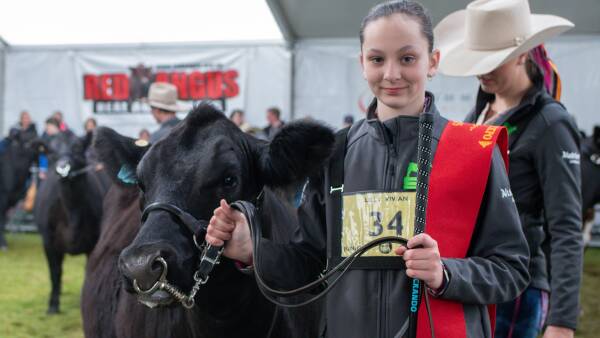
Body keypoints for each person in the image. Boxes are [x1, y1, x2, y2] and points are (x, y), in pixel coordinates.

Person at [206, 1, 530, 337]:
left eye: (407, 58)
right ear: (362, 63)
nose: (391, 74)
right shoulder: (335, 154)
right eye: (377, 59)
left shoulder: (473, 151)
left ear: (433, 62)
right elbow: (310, 265)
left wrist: (445, 274)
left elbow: (512, 269)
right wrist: (252, 249)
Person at [434, 1, 582, 337]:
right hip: (476, 279)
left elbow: (567, 227)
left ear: (522, 55)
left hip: (520, 290)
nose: (482, 72)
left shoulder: (551, 124)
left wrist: (562, 321)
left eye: (492, 62)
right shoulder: (480, 113)